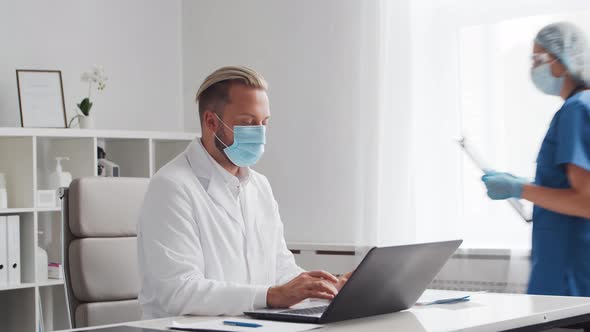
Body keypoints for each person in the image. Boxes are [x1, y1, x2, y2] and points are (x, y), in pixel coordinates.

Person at [137, 66, 351, 318]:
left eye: (264, 123)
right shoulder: (172, 186)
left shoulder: (259, 186)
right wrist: (270, 296)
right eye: (248, 123)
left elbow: (280, 270)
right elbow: (179, 292)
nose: (259, 133)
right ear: (210, 122)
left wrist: (325, 289)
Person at [482, 22, 590, 296]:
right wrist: (525, 185)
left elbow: (586, 202)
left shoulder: (576, 110)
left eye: (538, 59)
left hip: (571, 270)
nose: (533, 68)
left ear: (564, 60)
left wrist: (520, 189)